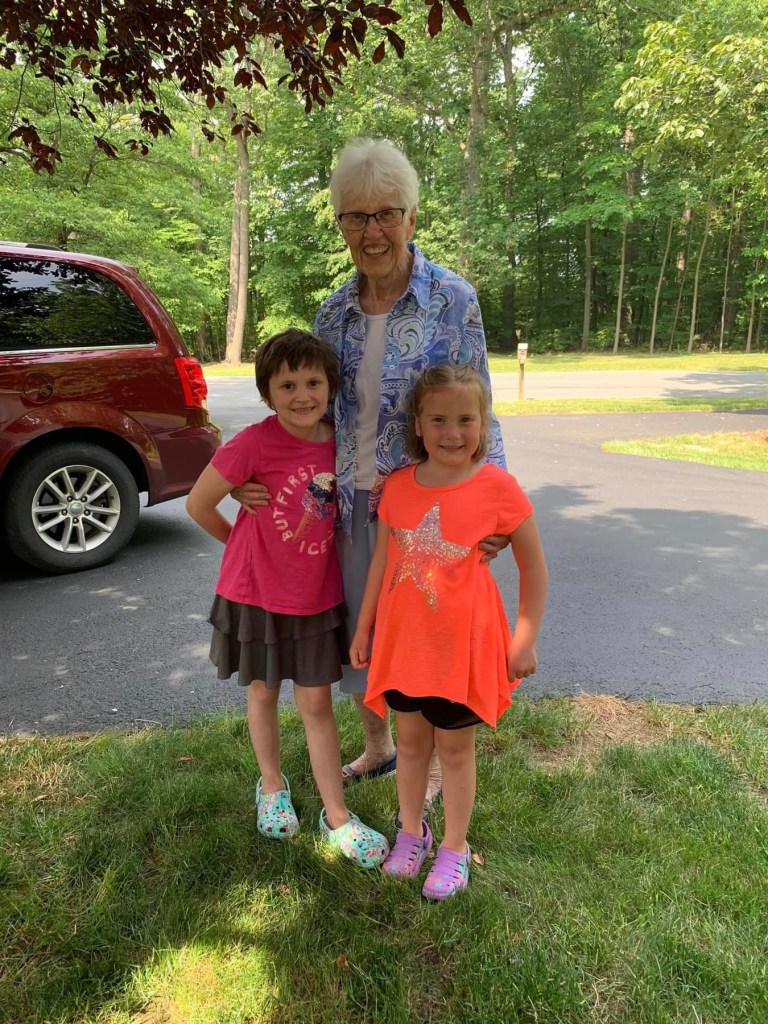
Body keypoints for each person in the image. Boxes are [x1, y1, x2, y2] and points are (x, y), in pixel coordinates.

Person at [234, 138, 509, 805]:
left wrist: (494, 502)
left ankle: (436, 760)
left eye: (386, 214)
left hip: (429, 507)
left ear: (411, 218)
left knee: (428, 633)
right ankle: (381, 743)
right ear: (341, 225)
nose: (373, 231)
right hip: (344, 503)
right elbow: (310, 412)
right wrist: (256, 472)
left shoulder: (453, 299)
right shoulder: (333, 311)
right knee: (359, 626)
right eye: (356, 217)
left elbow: (480, 404)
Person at [186, 329, 389, 870]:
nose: (302, 396)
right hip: (256, 595)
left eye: (313, 383)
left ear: (331, 387)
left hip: (316, 598)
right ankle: (272, 785)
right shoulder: (252, 443)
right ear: (267, 393)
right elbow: (198, 504)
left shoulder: (341, 443)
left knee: (317, 705)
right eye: (287, 385)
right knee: (263, 691)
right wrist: (243, 544)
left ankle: (336, 816)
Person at [350, 365, 548, 898]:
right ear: (417, 424)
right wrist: (365, 627)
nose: (452, 432)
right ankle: (411, 833)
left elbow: (534, 567)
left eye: (465, 419)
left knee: (455, 751)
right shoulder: (397, 486)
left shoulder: (498, 488)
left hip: (461, 650)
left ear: (484, 424)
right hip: (405, 646)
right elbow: (381, 563)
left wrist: (524, 638)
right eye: (438, 419)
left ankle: (454, 848)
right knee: (412, 745)